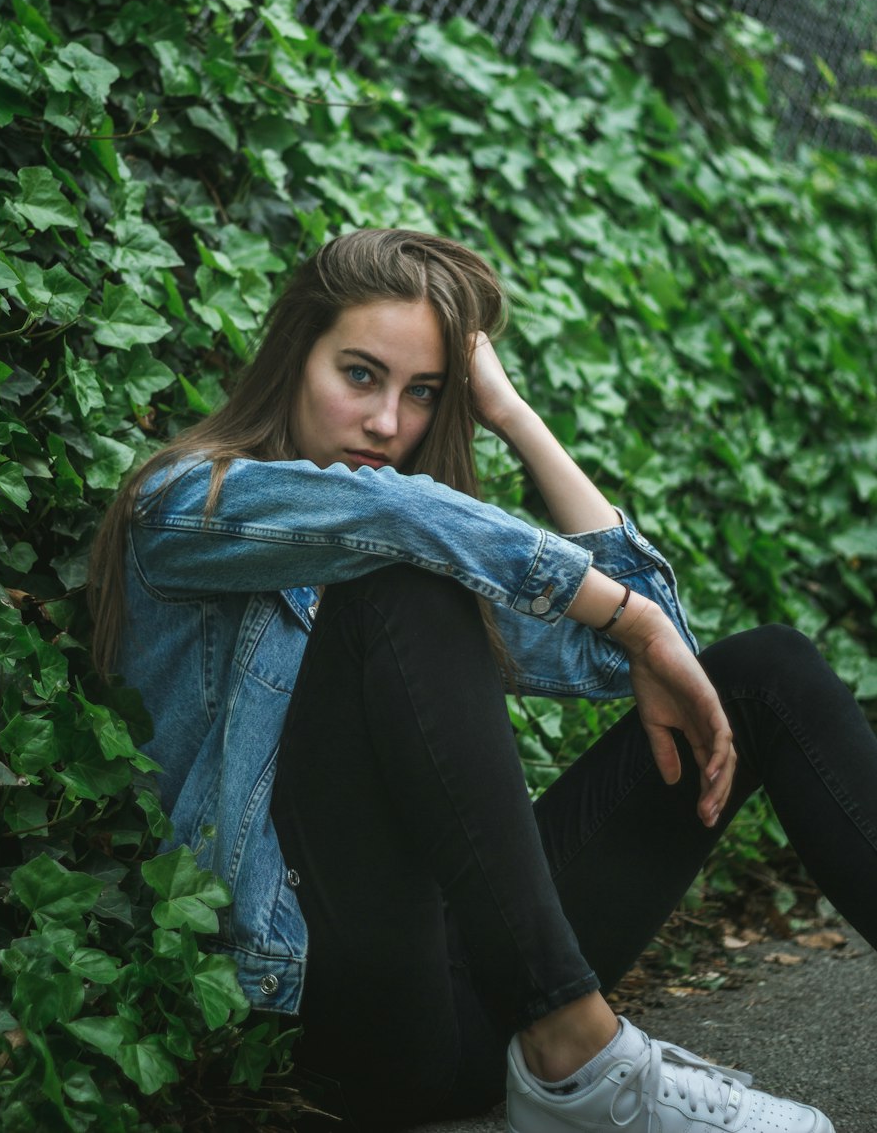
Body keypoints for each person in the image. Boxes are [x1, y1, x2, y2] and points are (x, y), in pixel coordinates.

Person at [89, 228, 877, 1133]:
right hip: (339, 1012)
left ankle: (565, 1048)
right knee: (398, 574)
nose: (389, 422)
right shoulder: (185, 505)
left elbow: (645, 652)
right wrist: (632, 617)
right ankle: (583, 1058)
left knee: (767, 671)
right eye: (359, 374)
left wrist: (510, 414)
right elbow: (396, 517)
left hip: (483, 991)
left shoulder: (433, 546)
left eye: (423, 392)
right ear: (291, 358)